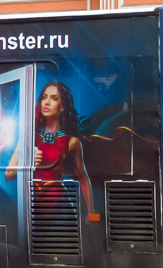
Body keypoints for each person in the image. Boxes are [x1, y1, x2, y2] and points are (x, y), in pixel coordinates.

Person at [6, 81, 96, 216]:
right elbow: (8, 174)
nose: (46, 102)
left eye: (54, 98)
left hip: (60, 206)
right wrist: (27, 165)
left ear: (62, 107)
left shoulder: (71, 141)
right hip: (32, 205)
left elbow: (83, 177)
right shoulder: (28, 136)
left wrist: (91, 212)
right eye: (44, 97)